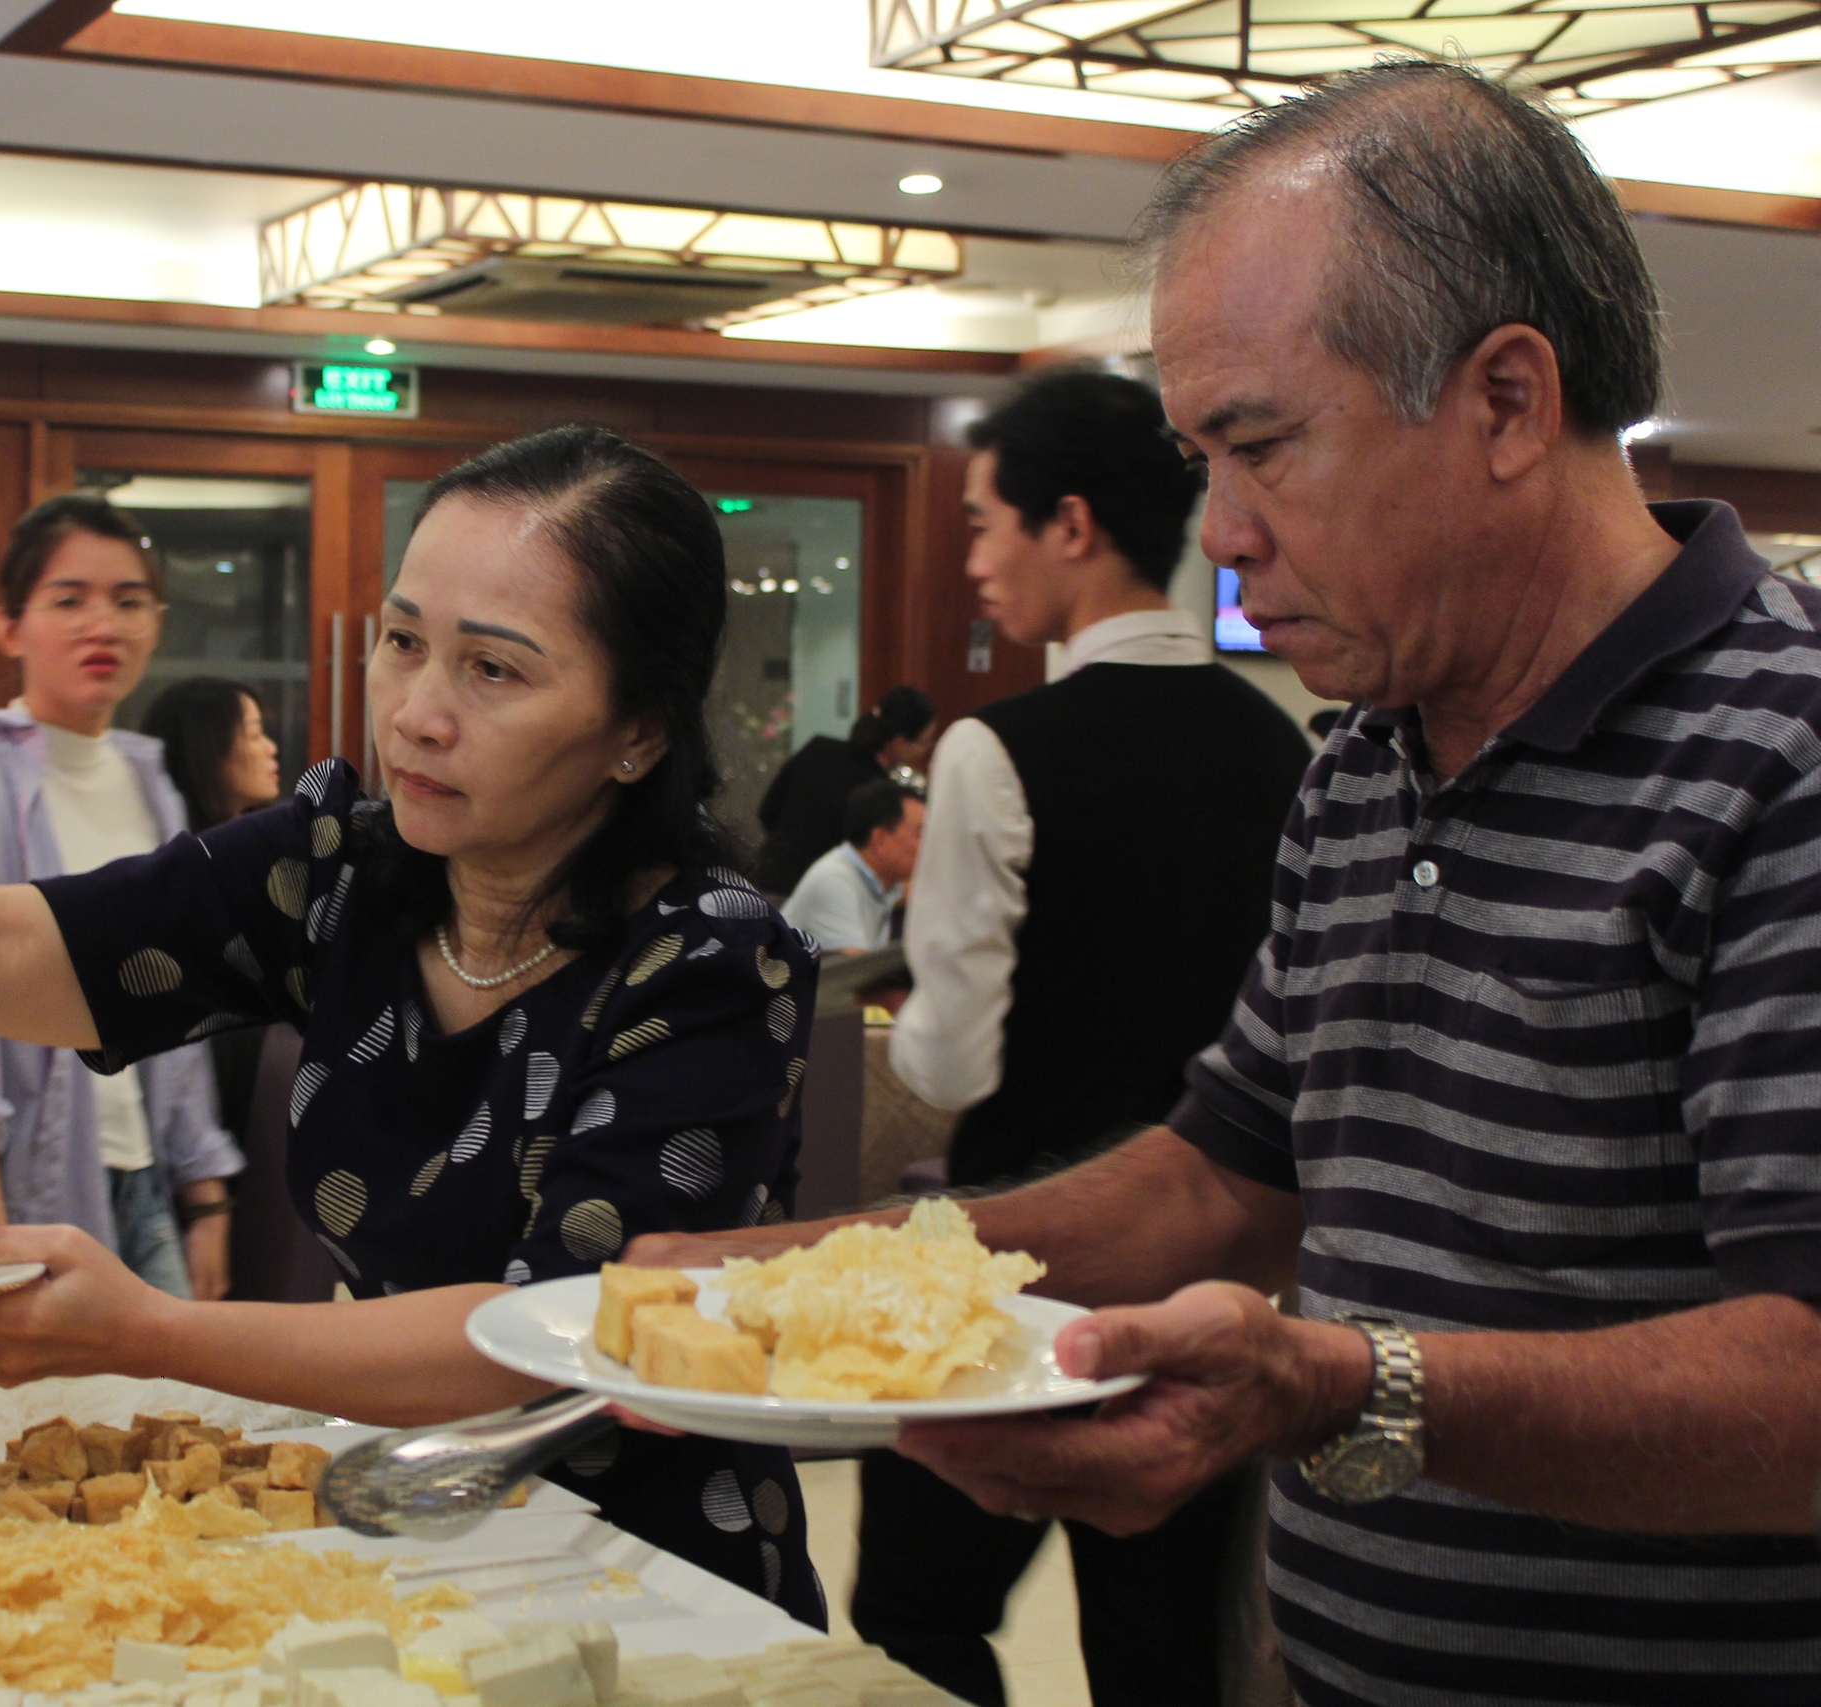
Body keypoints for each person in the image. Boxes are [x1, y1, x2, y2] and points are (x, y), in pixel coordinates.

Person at [632, 62, 1821, 1707]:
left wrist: (1340, 1387)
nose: (1227, 537)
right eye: (1202, 459)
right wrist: (814, 1273)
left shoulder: (1786, 756)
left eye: (1262, 446)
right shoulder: (1364, 758)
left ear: (1506, 401)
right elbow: (1216, 1178)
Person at [0, 424, 827, 1622]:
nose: (419, 711)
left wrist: (148, 1330)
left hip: (647, 1570)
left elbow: (553, 1333)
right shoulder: (342, 867)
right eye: (402, 642)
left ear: (636, 732)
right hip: (416, 1523)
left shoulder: (711, 958)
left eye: (493, 669)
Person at [865, 366, 1312, 1707]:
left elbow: (950, 1060)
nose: (976, 560)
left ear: (1072, 523)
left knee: (910, 1614)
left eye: (988, 519)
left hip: (1016, 1269)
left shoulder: (997, 752)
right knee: (1162, 1654)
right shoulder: (1285, 747)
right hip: (1206, 1284)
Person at [0, 495, 243, 1299]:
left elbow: (184, 1015)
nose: (101, 623)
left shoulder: (155, 788)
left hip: (140, 1188)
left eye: (129, 600)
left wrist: (203, 1197)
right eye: (69, 599)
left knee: (176, 1419)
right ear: (9, 625)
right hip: (24, 1199)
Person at [140, 674, 285, 1298]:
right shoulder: (180, 875)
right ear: (208, 750)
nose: (271, 748)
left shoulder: (262, 867)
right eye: (252, 733)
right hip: (196, 1158)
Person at [754, 685, 935, 893]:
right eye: (924, 742)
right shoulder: (880, 794)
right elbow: (874, 864)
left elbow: (767, 811)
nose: (926, 749)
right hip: (818, 895)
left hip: (764, 882)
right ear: (901, 742)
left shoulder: (818, 748)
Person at [779, 778, 923, 955]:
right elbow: (857, 974)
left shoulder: (880, 880)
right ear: (881, 839)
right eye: (920, 833)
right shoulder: (834, 881)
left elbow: (924, 889)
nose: (928, 845)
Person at [140, 675, 282, 832]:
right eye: (255, 734)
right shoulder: (165, 843)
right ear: (206, 750)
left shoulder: (276, 838)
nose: (271, 748)